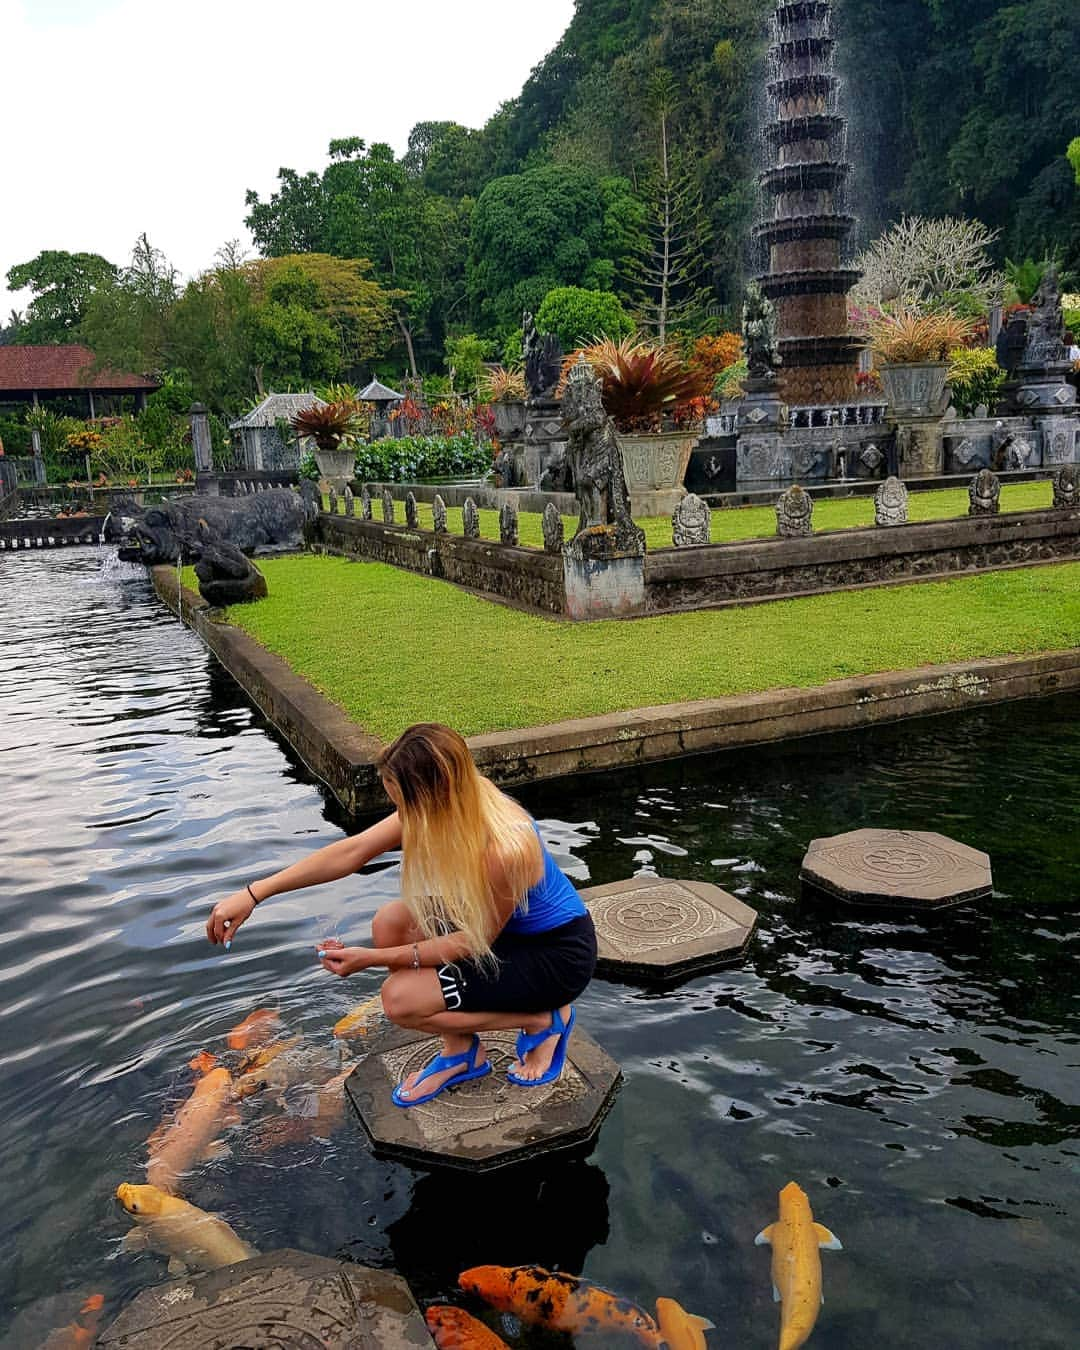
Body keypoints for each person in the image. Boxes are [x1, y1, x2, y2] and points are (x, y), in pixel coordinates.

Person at [206, 723, 597, 1106]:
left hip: (554, 954)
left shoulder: (505, 847)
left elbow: (471, 942)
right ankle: (461, 1053)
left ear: (431, 793)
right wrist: (253, 894)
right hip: (502, 931)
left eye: (402, 803)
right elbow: (351, 852)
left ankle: (542, 1021)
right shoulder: (458, 798)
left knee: (399, 1002)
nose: (399, 812)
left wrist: (372, 960)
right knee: (391, 921)